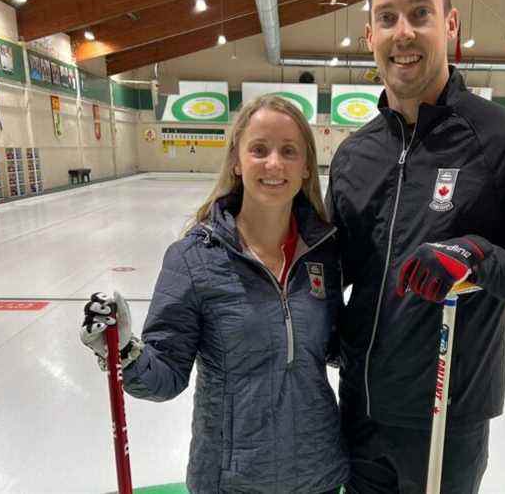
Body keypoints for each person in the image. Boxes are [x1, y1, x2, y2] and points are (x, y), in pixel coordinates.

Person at [326, 0, 505, 494]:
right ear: (370, 35)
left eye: (420, 14)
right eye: (387, 18)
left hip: (446, 420)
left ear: (450, 24)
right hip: (358, 413)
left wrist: (478, 257)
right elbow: (331, 274)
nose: (403, 33)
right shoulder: (353, 156)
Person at [81, 94, 349, 494]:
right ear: (237, 162)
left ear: (306, 166)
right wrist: (122, 351)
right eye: (259, 149)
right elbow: (166, 376)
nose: (274, 163)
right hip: (230, 480)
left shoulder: (323, 253)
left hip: (318, 474)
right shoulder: (194, 258)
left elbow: (334, 348)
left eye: (288, 151)